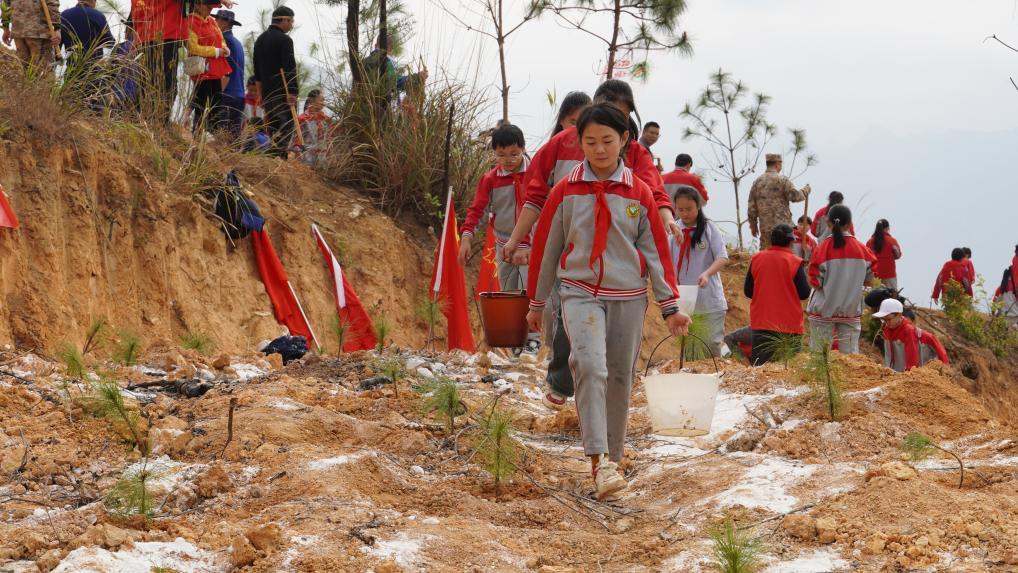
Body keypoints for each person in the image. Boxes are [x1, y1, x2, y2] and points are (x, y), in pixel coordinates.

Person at [525, 102, 690, 500]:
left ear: (624, 141)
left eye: (607, 141)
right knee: (589, 366)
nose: (599, 149)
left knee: (618, 377)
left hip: (628, 297)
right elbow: (546, 248)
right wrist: (537, 301)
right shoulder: (566, 190)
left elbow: (655, 253)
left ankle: (613, 460)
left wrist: (670, 306)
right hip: (579, 291)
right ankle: (599, 461)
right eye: (590, 141)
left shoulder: (639, 193)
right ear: (579, 143)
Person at [501, 79, 677, 410]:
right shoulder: (560, 145)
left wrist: (667, 217)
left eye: (624, 117)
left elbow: (653, 193)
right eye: (612, 113)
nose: (603, 146)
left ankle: (601, 396)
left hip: (618, 258)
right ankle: (562, 381)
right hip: (570, 251)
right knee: (568, 322)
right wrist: (516, 238)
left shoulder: (634, 152)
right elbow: (535, 196)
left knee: (609, 341)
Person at [807, 205, 875, 354]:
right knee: (850, 357)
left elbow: (815, 282)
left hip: (823, 310)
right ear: (850, 224)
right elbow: (870, 281)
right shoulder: (863, 251)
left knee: (818, 356)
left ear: (828, 223)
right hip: (851, 310)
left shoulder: (822, 249)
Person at [670, 186, 728, 355]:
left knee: (711, 346)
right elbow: (666, 261)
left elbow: (722, 257)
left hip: (709, 300)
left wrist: (707, 274)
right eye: (681, 210)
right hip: (684, 301)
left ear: (698, 206)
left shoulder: (709, 228)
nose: (685, 214)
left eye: (689, 209)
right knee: (689, 350)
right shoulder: (674, 231)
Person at [744, 225, 812, 365]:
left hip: (762, 323)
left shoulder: (757, 259)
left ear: (772, 240)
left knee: (760, 370)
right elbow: (804, 293)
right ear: (791, 242)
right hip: (789, 326)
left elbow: (748, 291)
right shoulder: (794, 262)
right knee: (789, 371)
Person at [130, 0, 189, 117]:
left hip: (145, 39)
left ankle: (140, 118)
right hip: (166, 37)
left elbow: (135, 19)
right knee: (166, 84)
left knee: (144, 82)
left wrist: (135, 39)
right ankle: (159, 120)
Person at [253, 6, 297, 159]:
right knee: (286, 127)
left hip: (266, 93)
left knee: (272, 128)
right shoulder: (285, 40)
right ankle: (280, 158)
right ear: (284, 20)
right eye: (291, 21)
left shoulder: (260, 40)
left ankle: (272, 159)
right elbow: (290, 68)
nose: (292, 25)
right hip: (282, 93)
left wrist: (260, 94)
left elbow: (257, 71)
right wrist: (293, 92)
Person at [747, 153, 811, 249]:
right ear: (778, 164)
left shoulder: (757, 182)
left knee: (766, 253)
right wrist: (805, 191)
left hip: (766, 229)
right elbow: (795, 197)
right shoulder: (782, 180)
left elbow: (751, 207)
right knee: (784, 253)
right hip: (783, 229)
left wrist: (753, 226)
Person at [186, 0, 231, 134]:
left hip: (215, 69)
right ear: (197, 4)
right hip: (201, 69)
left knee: (216, 103)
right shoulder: (190, 21)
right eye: (208, 6)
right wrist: (216, 51)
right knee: (202, 104)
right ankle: (199, 133)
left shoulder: (211, 20)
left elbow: (221, 39)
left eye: (212, 7)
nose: (211, 9)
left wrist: (225, 48)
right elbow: (193, 47)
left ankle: (212, 133)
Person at [873, 298, 949, 372]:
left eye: (889, 319)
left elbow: (912, 364)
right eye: (883, 319)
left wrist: (909, 373)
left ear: (899, 315)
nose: (886, 322)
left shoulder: (908, 330)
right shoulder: (886, 329)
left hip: (920, 371)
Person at [2, 0, 60, 68]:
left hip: (18, 31)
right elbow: (52, 3)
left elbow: (5, 6)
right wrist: (57, 28)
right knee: (44, 69)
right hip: (39, 32)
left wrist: (5, 28)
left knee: (24, 66)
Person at [214, 8, 244, 139]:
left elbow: (226, 71)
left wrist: (217, 95)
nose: (215, 22)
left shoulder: (224, 41)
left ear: (225, 22)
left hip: (227, 94)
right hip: (239, 95)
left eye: (217, 19)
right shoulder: (237, 43)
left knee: (220, 138)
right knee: (233, 138)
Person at [58, 0, 113, 67]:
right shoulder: (98, 16)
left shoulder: (64, 15)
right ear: (93, 1)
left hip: (72, 68)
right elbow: (110, 43)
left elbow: (57, 43)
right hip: (93, 69)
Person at [296, 88, 331, 165]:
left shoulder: (325, 119)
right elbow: (296, 143)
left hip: (323, 161)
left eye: (324, 100)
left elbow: (329, 140)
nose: (323, 103)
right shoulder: (302, 119)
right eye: (321, 100)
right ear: (312, 101)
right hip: (307, 161)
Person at [865, 219, 901, 291]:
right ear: (887, 228)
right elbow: (898, 255)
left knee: (875, 295)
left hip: (875, 275)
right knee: (891, 295)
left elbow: (867, 258)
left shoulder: (869, 242)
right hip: (889, 275)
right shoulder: (892, 241)